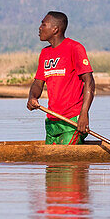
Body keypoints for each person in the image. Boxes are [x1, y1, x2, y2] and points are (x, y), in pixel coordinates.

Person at [26, 11, 95, 145]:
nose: (40, 28)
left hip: (72, 121)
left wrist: (84, 114)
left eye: (43, 24)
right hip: (52, 121)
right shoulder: (45, 53)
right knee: (52, 165)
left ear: (55, 29)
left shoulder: (75, 48)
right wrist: (32, 97)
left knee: (68, 165)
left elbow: (89, 82)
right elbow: (38, 83)